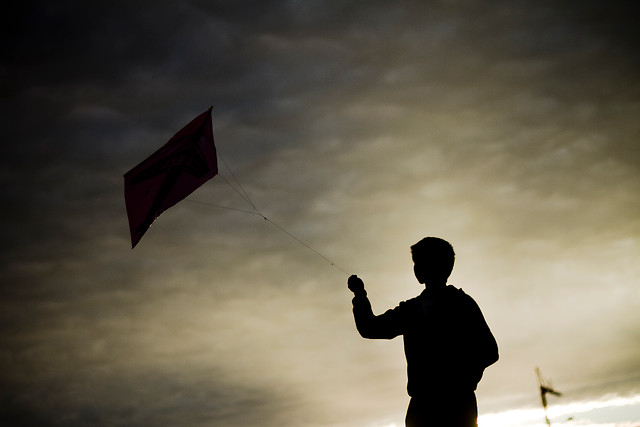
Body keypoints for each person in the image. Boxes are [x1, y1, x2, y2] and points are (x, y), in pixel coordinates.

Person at [348, 237, 498, 427]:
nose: (416, 268)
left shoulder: (457, 304)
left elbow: (490, 351)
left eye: (419, 263)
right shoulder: (421, 308)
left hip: (451, 407)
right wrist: (360, 296)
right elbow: (370, 328)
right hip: (433, 408)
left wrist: (458, 378)